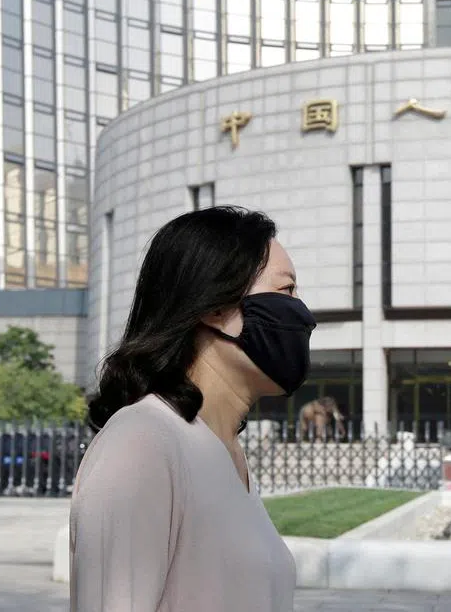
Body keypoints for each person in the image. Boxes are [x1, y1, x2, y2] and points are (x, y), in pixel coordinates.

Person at [69, 206, 316, 612]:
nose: (302, 315)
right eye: (286, 290)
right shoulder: (143, 442)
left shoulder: (226, 455)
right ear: (215, 305)